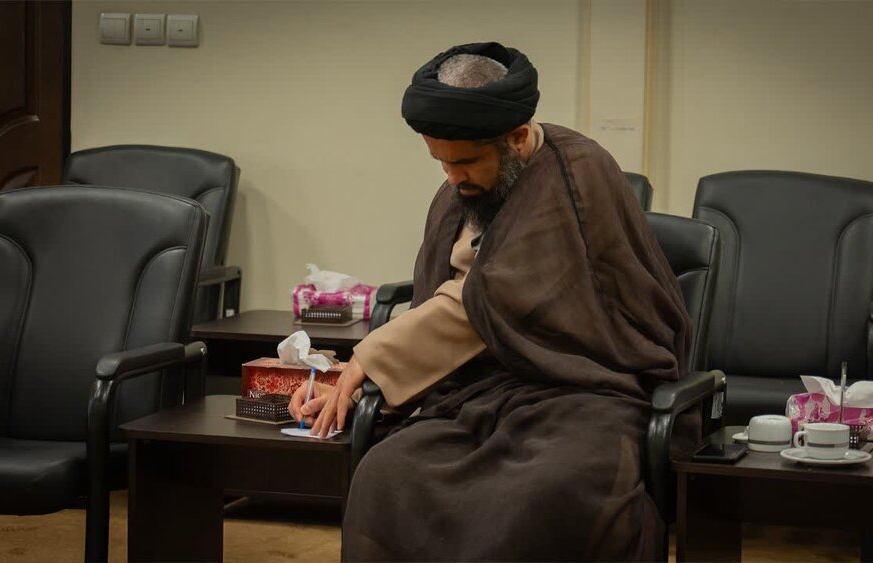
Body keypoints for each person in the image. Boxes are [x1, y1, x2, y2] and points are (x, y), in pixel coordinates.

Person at [288, 41, 694, 561]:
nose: (452, 177)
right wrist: (360, 375)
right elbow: (453, 291)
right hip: (479, 390)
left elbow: (486, 298)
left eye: (465, 161)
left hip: (589, 388)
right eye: (440, 162)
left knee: (541, 493)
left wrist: (368, 360)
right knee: (387, 474)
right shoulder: (466, 188)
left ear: (517, 137)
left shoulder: (575, 174)